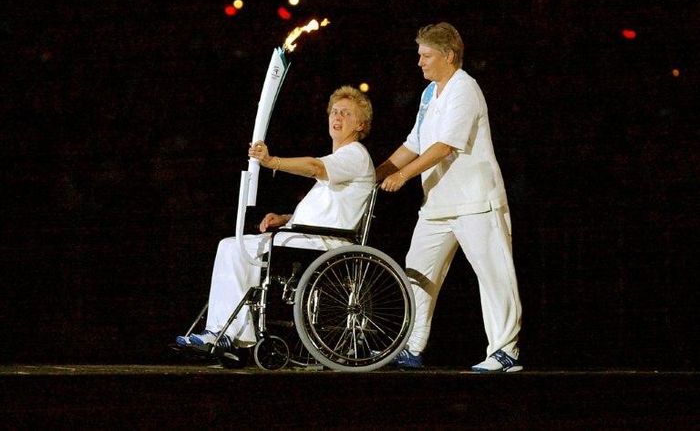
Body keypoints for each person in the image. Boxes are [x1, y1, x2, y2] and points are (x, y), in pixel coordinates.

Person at [176, 86, 375, 357]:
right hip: (307, 236)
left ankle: (226, 333)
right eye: (335, 111)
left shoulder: (354, 154)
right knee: (234, 246)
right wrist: (286, 218)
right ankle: (229, 333)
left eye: (347, 113)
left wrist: (272, 162)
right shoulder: (341, 158)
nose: (337, 117)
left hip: (323, 244)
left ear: (361, 124)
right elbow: (328, 209)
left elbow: (315, 167)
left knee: (234, 248)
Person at [376, 22, 522, 372]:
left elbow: (444, 145)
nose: (420, 63)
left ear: (449, 56)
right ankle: (412, 347)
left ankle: (505, 351)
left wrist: (402, 176)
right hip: (437, 204)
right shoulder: (430, 94)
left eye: (426, 56)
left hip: (476, 203)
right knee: (417, 273)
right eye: (419, 55)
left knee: (493, 276)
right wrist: (375, 173)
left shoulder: (465, 88)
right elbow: (415, 143)